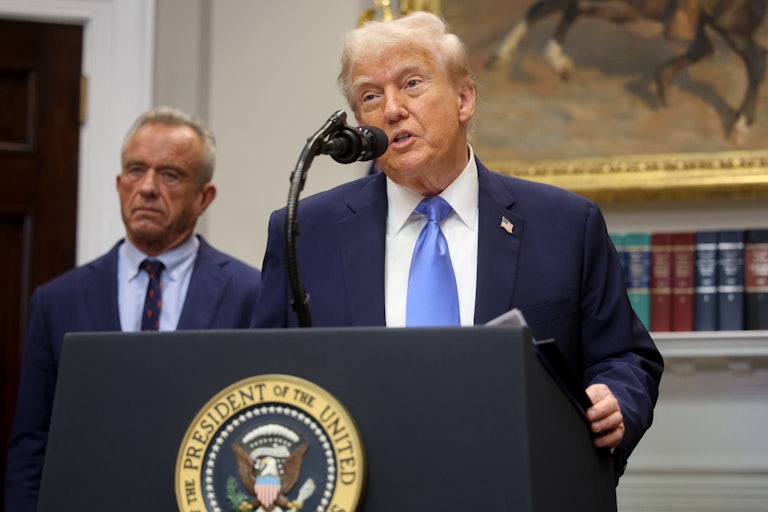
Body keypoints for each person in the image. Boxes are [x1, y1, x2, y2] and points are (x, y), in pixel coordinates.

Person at [251, 11, 663, 482]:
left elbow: (626, 357)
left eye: (411, 83)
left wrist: (616, 397)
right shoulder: (305, 232)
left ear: (464, 98)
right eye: (370, 95)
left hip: (521, 486)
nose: (391, 109)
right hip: (361, 489)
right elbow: (266, 374)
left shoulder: (566, 224)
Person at [5, 107, 262, 510]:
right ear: (119, 183)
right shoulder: (57, 302)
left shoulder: (252, 294)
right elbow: (32, 445)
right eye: (135, 170)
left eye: (169, 175)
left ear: (203, 198)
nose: (146, 187)